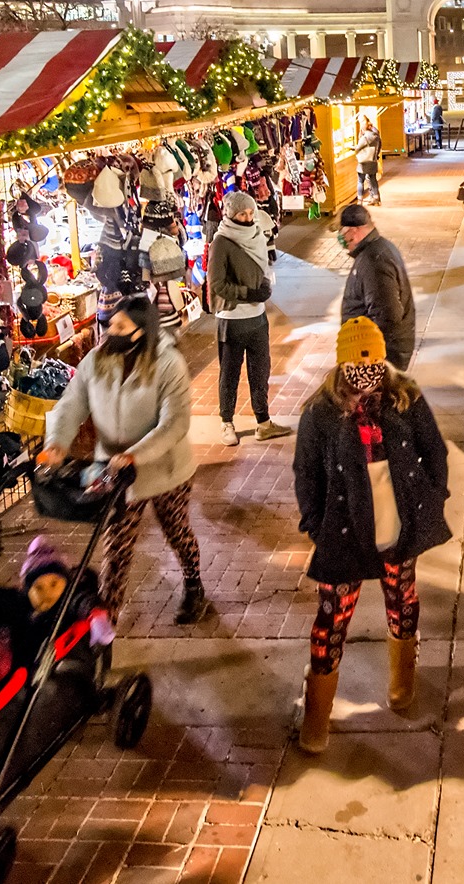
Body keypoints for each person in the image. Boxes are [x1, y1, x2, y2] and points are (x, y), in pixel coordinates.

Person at [292, 316, 451, 751]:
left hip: (397, 530)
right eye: (359, 363)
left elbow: (433, 449)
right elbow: (306, 474)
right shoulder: (320, 413)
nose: (368, 372)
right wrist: (313, 523)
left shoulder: (406, 398)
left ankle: (402, 684)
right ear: (342, 363)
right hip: (344, 534)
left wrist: (434, 497)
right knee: (331, 620)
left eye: (375, 361)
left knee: (403, 602)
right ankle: (317, 718)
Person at [41, 294, 208, 625]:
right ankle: (106, 626)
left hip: (164, 468)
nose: (109, 330)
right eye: (111, 323)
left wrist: (136, 454)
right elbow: (72, 403)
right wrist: (57, 443)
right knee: (115, 544)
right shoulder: (96, 360)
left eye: (121, 326)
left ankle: (193, 583)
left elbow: (174, 423)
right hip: (113, 470)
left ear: (141, 332)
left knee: (176, 529)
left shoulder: (168, 364)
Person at [209, 190, 287, 444]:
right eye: (242, 213)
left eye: (250, 212)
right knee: (229, 373)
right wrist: (249, 293)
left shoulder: (256, 235)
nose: (247, 217)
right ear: (231, 214)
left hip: (257, 317)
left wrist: (264, 286)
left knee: (260, 370)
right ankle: (226, 423)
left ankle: (263, 421)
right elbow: (217, 284)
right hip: (231, 319)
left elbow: (261, 268)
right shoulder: (221, 242)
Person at [339, 201, 416, 367]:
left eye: (343, 235)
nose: (342, 241)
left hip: (380, 355)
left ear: (354, 231)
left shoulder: (373, 261)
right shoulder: (376, 249)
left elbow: (387, 314)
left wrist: (369, 357)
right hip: (378, 351)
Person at [355, 119, 382, 205]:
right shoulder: (376, 137)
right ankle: (376, 198)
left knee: (360, 180)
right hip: (373, 160)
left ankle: (360, 200)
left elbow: (358, 148)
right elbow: (379, 147)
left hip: (364, 162)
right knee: (373, 180)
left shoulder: (365, 138)